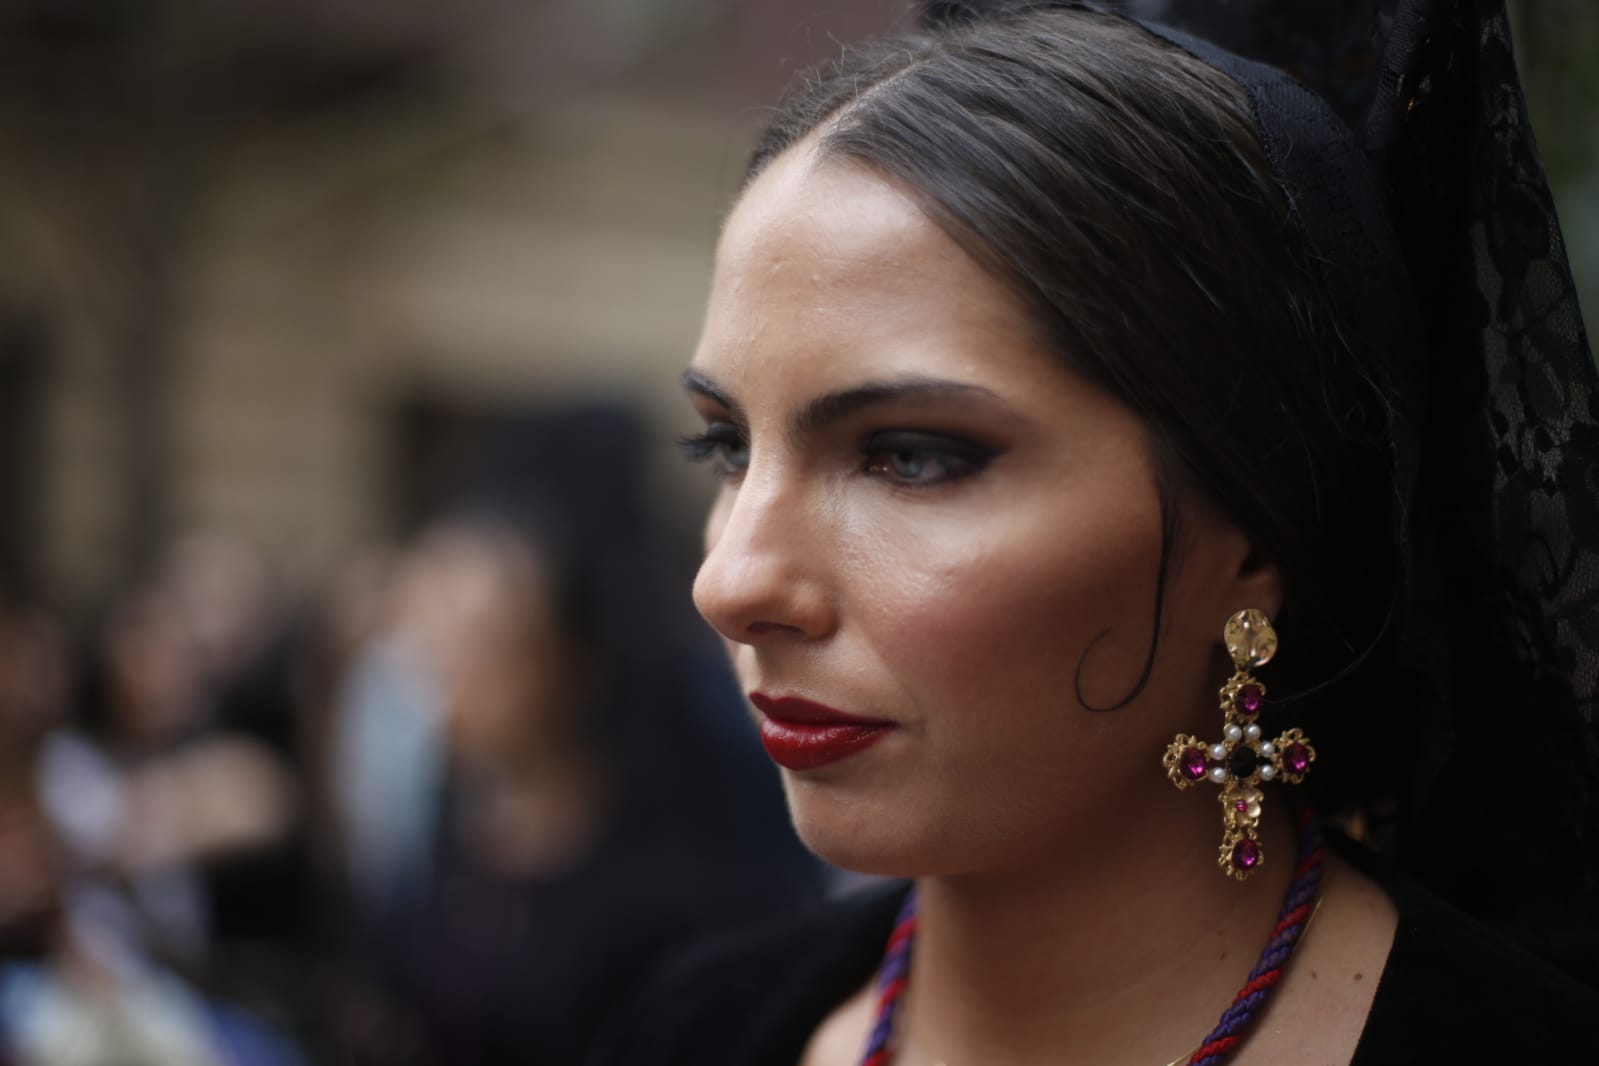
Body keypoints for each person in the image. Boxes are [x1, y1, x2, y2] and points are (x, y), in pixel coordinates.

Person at [592, 1, 1599, 1064]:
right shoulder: (689, 1030)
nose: (730, 581)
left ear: (1249, 530)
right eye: (726, 447)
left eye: (910, 456)